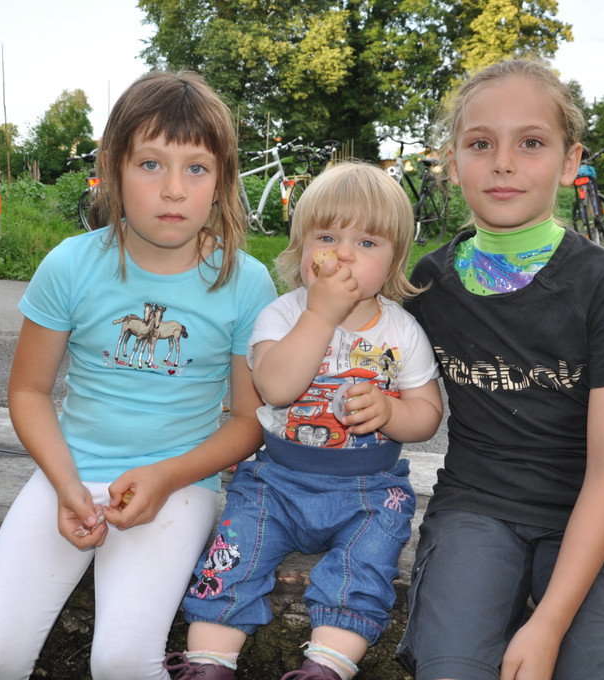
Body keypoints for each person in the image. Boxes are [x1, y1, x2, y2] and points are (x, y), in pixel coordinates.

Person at [0, 70, 277, 680]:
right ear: (113, 168)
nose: (174, 189)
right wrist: (64, 482)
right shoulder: (71, 264)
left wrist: (166, 476)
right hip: (69, 474)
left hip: (179, 484)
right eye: (151, 164)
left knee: (123, 662)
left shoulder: (245, 282)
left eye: (196, 169)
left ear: (222, 180)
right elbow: (28, 390)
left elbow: (247, 420)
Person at [396, 59, 604, 680]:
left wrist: (547, 624)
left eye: (531, 143)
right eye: (480, 144)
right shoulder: (430, 281)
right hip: (474, 508)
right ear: (452, 161)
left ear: (570, 163)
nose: (503, 163)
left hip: (588, 518)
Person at [165, 161, 444, 680]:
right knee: (235, 554)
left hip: (368, 487)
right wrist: (320, 315)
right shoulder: (284, 314)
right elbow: (275, 388)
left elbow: (428, 415)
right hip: (277, 480)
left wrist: (391, 411)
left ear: (394, 260)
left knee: (367, 562)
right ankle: (209, 661)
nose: (343, 254)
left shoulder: (403, 330)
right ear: (301, 249)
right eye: (327, 237)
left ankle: (327, 664)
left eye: (367, 243)